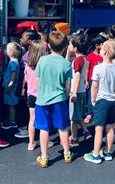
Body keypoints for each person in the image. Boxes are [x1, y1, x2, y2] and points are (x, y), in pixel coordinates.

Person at [34, 31, 73, 168]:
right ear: (64, 47)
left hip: (43, 99)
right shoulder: (66, 64)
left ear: (49, 46)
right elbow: (68, 86)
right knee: (62, 127)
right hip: (59, 99)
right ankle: (67, 153)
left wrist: (41, 92)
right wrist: (66, 95)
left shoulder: (42, 60)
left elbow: (37, 81)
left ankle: (44, 157)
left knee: (44, 129)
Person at [84, 40, 115, 163]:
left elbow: (94, 86)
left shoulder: (98, 68)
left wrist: (93, 100)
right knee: (110, 127)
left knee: (98, 128)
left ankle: (95, 154)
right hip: (112, 99)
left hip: (101, 99)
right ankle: (108, 152)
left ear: (104, 51)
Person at [21, 40, 47, 150]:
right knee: (44, 120)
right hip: (43, 95)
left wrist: (23, 88)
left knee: (32, 119)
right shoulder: (44, 66)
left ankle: (31, 143)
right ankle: (46, 141)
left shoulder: (28, 66)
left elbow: (26, 79)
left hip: (31, 95)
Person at [15, 29, 42, 138]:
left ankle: (29, 130)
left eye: (23, 37)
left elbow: (25, 74)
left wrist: (23, 87)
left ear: (30, 41)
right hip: (35, 88)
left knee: (31, 112)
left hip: (30, 87)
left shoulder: (28, 55)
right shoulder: (39, 52)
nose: (20, 39)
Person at [67, 34, 92, 147]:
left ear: (75, 48)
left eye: (70, 45)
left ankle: (74, 138)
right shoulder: (84, 59)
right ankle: (86, 132)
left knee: (73, 117)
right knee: (78, 114)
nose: (68, 46)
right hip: (81, 90)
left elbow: (76, 76)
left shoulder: (77, 61)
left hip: (75, 91)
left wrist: (74, 92)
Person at [84, 35, 106, 124]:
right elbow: (87, 69)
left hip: (101, 80)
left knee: (99, 97)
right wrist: (86, 80)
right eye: (102, 44)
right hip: (92, 79)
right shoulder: (90, 56)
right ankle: (89, 113)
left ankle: (97, 112)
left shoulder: (103, 56)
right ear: (97, 46)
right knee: (90, 97)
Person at [1, 42, 23, 130]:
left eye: (7, 50)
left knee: (11, 105)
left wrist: (10, 85)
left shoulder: (12, 63)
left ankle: (12, 121)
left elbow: (13, 74)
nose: (5, 51)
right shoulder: (15, 61)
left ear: (11, 53)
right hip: (12, 88)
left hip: (11, 89)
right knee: (11, 105)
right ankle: (11, 119)